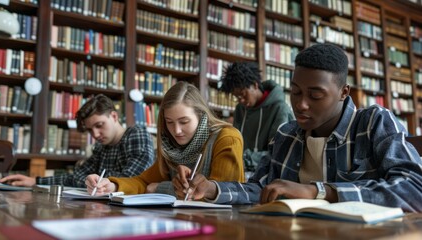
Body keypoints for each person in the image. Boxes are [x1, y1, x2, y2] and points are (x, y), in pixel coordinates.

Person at [173, 43, 422, 212]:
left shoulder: (374, 122)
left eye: (315, 95)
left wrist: (317, 191)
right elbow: (260, 188)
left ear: (343, 93)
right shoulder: (286, 134)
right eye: (295, 92)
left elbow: (414, 189)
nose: (301, 104)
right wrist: (211, 188)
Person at [85, 81, 245, 196]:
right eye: (169, 122)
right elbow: (144, 182)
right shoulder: (170, 145)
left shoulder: (227, 137)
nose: (176, 130)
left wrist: (159, 188)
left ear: (201, 115)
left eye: (184, 122)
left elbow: (220, 193)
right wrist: (111, 186)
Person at [0, 94, 155, 188]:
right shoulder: (101, 147)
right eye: (89, 129)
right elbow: (76, 177)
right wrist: (35, 180)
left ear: (114, 117)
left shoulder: (137, 134)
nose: (95, 134)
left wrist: (93, 179)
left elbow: (132, 179)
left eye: (99, 125)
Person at [220, 61, 294, 173]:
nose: (241, 101)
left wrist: (245, 159)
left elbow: (279, 152)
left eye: (243, 94)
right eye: (237, 97)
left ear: (255, 85)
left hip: (268, 174)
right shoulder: (240, 109)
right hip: (240, 170)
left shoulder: (280, 109)